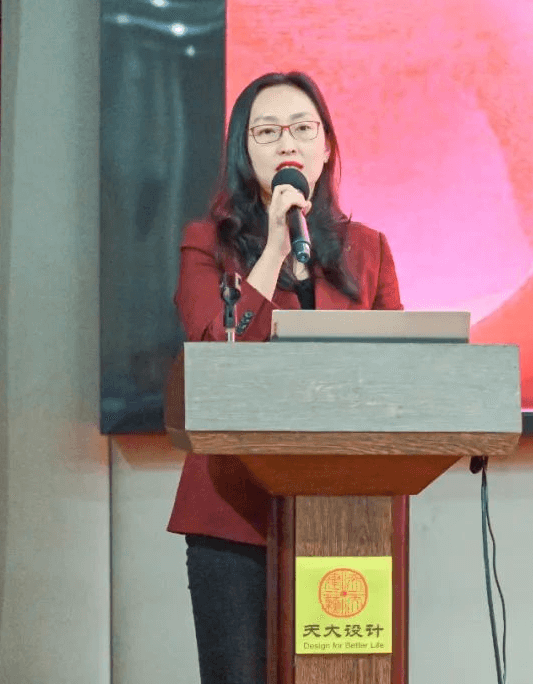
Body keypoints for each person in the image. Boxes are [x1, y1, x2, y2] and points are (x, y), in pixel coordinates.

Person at [166, 71, 402, 684]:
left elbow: (398, 373)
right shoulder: (205, 244)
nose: (287, 142)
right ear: (244, 154)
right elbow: (217, 356)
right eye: (267, 132)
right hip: (232, 514)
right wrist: (273, 248)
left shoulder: (369, 250)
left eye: (301, 128)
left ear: (325, 147)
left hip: (346, 513)